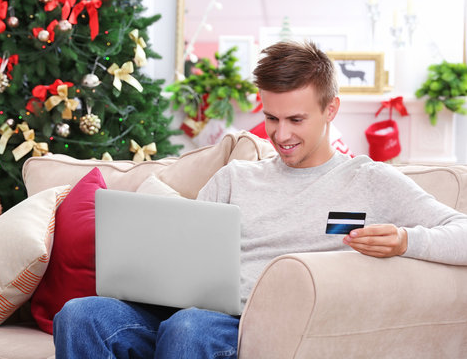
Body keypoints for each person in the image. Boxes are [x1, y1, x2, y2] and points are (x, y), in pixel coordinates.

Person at [52, 41, 467, 358]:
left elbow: (461, 232)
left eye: (296, 120)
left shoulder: (370, 179)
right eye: (271, 118)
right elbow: (184, 261)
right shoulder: (235, 177)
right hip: (189, 314)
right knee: (80, 315)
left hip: (253, 328)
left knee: (190, 327)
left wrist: (405, 240)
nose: (281, 135)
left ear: (331, 110)